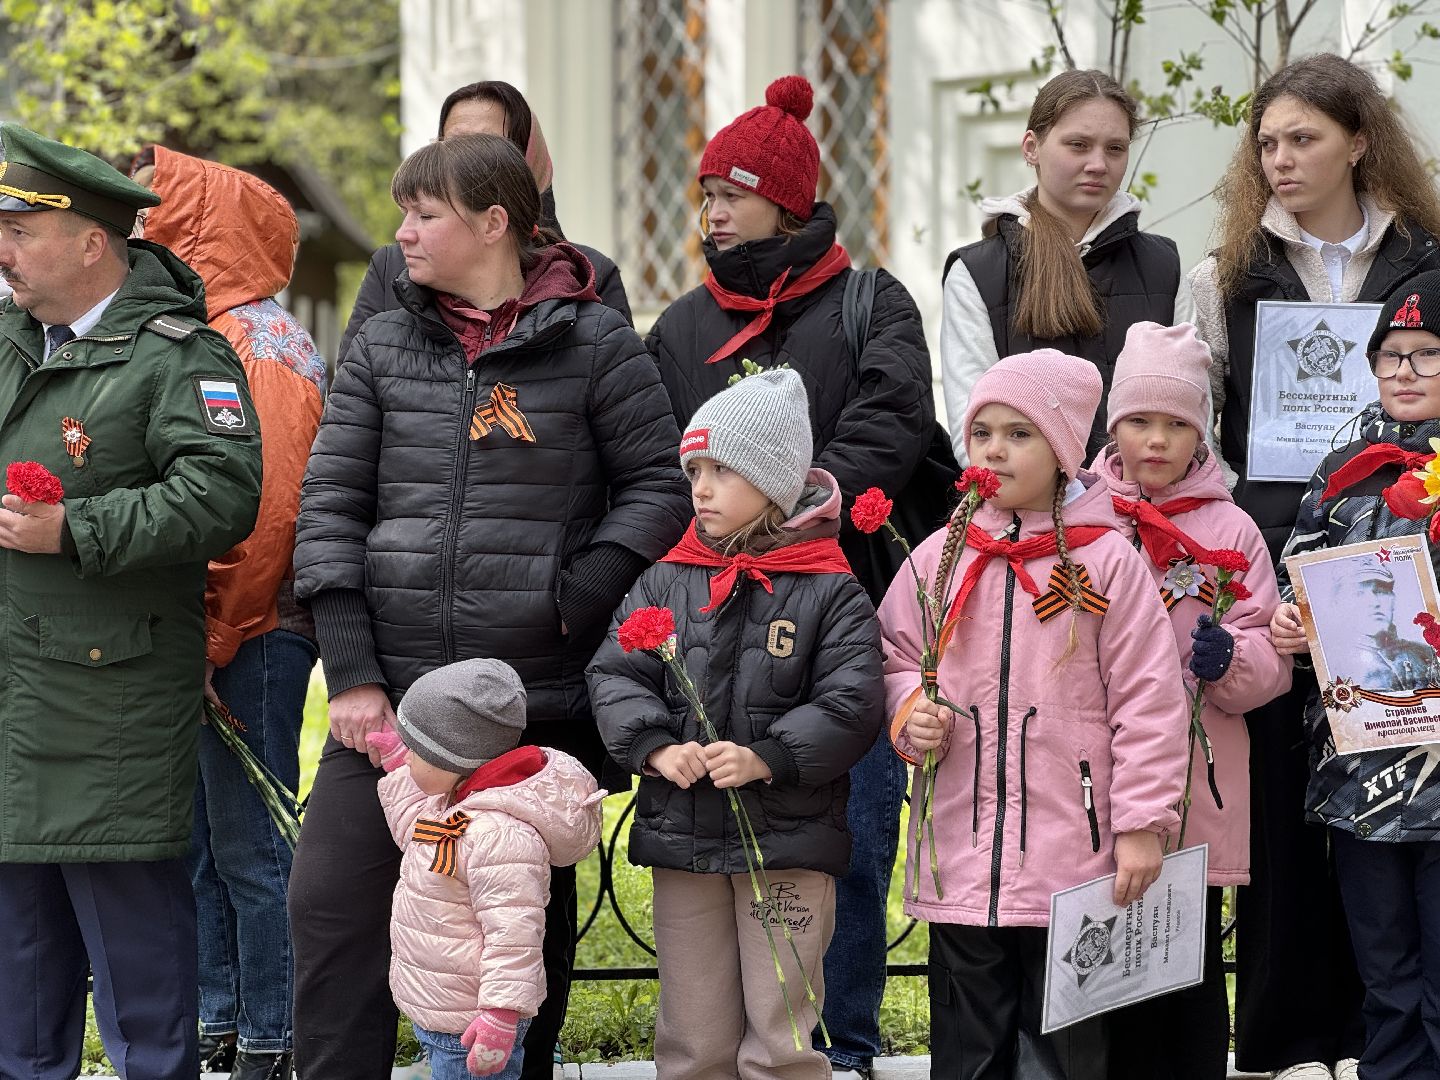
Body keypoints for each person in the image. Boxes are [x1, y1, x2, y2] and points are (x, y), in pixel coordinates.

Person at [288, 132, 690, 1080]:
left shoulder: (592, 340)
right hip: (395, 704)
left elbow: (659, 487)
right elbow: (331, 503)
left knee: (513, 935)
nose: (404, 234)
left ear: (494, 222)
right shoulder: (385, 338)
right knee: (332, 904)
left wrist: (576, 594)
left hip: (531, 703)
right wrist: (351, 672)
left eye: (424, 215)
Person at [644, 74, 936, 1079]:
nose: (713, 210)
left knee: (841, 843)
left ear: (787, 198)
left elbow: (890, 421)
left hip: (838, 608)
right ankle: (723, 1050)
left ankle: (841, 1045)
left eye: (731, 190)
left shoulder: (870, 302)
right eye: (706, 193)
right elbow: (653, 455)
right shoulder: (683, 326)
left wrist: (796, 512)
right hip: (714, 622)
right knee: (716, 856)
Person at [1189, 53, 1440, 1080]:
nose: (1281, 159)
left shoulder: (1427, 259)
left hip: (1410, 574)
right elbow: (1199, 426)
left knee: (1405, 807)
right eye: (1268, 144)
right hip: (1278, 568)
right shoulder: (1227, 273)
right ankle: (1293, 1036)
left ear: (1359, 142)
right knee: (1293, 801)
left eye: (1303, 138)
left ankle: (1390, 1038)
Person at [0, 123, 262, 1079]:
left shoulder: (176, 355)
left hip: (106, 696)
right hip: (14, 690)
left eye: (21, 232)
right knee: (20, 961)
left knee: (135, 957)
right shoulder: (8, 338)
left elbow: (225, 494)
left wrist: (77, 527)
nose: (3, 251)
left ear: (91, 242)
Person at [880, 349, 1189, 1080]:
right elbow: (894, 656)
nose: (994, 448)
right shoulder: (939, 557)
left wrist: (1142, 826)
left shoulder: (1107, 562)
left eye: (1019, 433)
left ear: (1062, 451)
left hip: (1072, 863)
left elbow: (1150, 700)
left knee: (1066, 1054)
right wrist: (910, 710)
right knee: (967, 1045)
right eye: (982, 431)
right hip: (962, 850)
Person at [588, 368, 885, 1080]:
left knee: (781, 1027)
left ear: (776, 480)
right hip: (684, 839)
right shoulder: (667, 578)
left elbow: (853, 701)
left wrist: (769, 756)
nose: (701, 488)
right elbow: (614, 671)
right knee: (693, 1031)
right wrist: (656, 747)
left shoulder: (831, 589)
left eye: (723, 470)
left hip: (787, 843)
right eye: (695, 469)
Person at [133, 145, 327, 1080]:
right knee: (207, 841)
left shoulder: (256, 346)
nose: (134, 237)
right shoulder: (207, 332)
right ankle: (221, 1016)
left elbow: (267, 514)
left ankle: (274, 1033)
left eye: (150, 218)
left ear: (194, 229)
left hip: (254, 630)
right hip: (215, 629)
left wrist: (213, 632)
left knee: (251, 841)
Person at [1091, 322, 1292, 1079]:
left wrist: (1232, 657)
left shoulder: (1231, 528)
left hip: (1194, 786)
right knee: (1103, 967)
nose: (1156, 439)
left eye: (1178, 423)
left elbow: (1270, 655)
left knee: (1186, 961)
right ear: (1113, 424)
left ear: (1202, 430)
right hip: (1097, 784)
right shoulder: (1084, 517)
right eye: (1139, 420)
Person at [1271, 270, 1440, 1080]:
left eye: (1427, 354)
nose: (1404, 371)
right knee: (1386, 963)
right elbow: (1296, 577)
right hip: (1361, 767)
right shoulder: (1342, 472)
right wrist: (1288, 620)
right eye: (1390, 356)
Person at [364, 658, 603, 1080]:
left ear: (449, 758)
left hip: (475, 1026)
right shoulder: (456, 802)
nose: (410, 758)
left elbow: (515, 936)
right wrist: (401, 765)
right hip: (444, 1011)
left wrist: (500, 1015)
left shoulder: (498, 835)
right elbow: (415, 835)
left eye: (416, 750)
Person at [940, 68, 1191, 465]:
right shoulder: (977, 273)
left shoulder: (1164, 266)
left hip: (1149, 511)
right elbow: (972, 434)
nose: (1098, 164)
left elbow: (1192, 410)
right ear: (1031, 148)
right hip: (1029, 518)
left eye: (1115, 148)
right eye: (1078, 145)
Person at [339, 78, 630, 364]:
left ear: (527, 161)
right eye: (454, 145)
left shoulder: (587, 275)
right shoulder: (392, 268)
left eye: (488, 145)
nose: (468, 160)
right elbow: (354, 388)